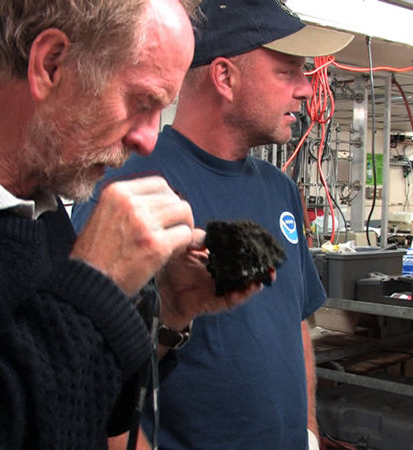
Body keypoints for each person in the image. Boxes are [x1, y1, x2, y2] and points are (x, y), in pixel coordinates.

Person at [0, 0, 263, 448]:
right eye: (142, 102)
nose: (147, 139)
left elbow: (87, 405)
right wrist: (93, 284)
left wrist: (171, 305)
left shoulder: (37, 203)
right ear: (51, 64)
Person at [71, 0, 353, 448]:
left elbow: (293, 321)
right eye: (287, 71)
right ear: (225, 77)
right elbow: (90, 369)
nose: (304, 89)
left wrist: (308, 431)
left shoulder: (279, 189)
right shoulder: (129, 188)